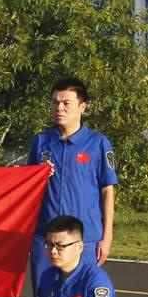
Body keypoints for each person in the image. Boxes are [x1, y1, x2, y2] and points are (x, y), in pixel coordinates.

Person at [25, 77, 119, 285]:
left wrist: (107, 237)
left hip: (85, 240)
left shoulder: (98, 144)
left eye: (66, 103)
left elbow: (107, 191)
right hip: (46, 238)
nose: (59, 108)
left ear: (82, 106)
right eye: (55, 102)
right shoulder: (41, 142)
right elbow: (28, 189)